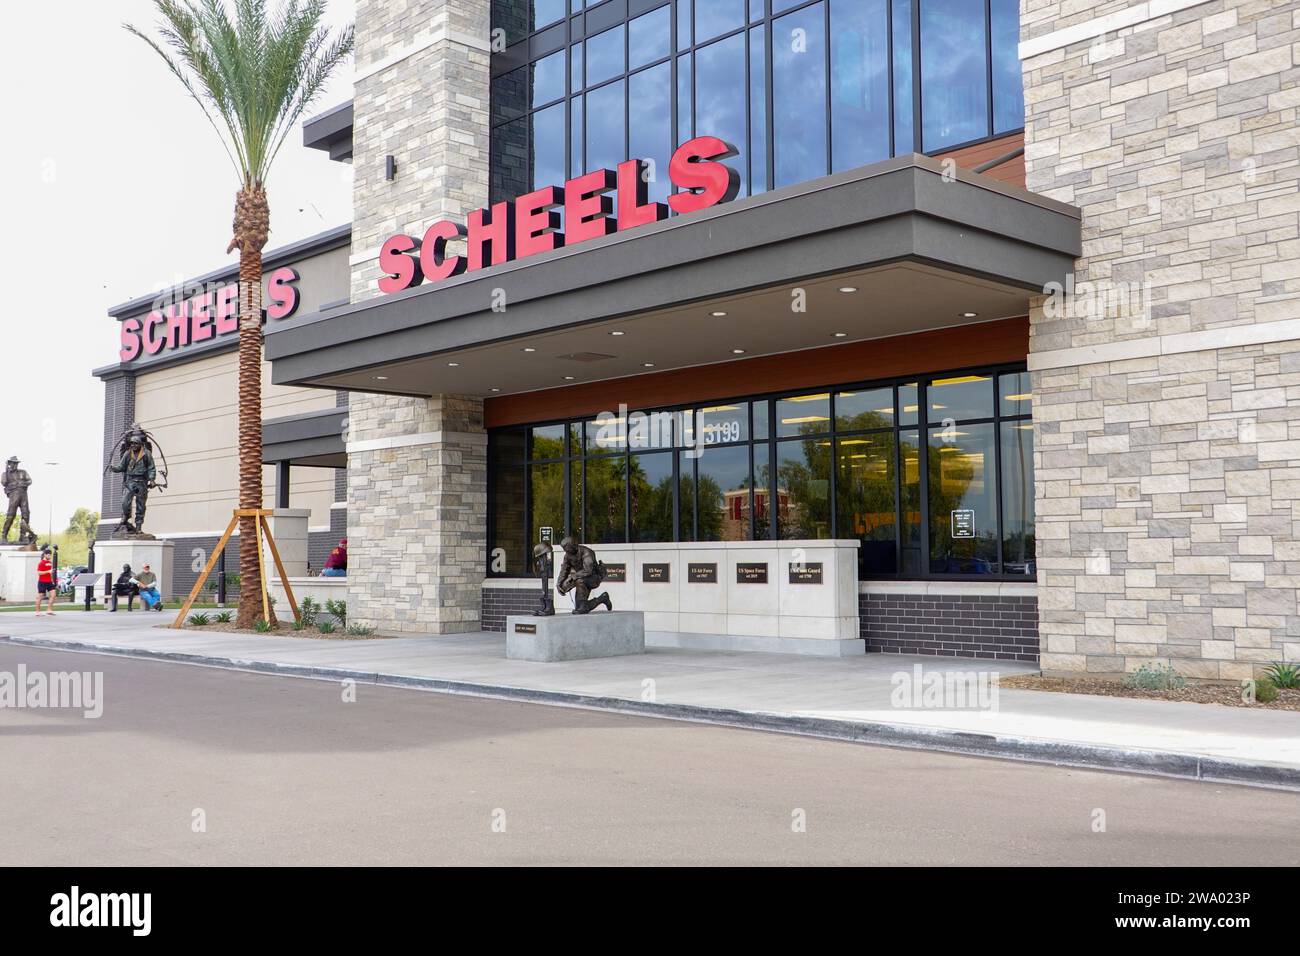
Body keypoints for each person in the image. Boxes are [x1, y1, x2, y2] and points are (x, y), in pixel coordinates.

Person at [554, 537, 612, 614]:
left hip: (594, 578)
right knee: (580, 608)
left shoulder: (587, 552)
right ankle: (603, 598)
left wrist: (572, 577)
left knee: (579, 581)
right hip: (581, 579)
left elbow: (588, 570)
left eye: (567, 548)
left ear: (573, 545)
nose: (566, 551)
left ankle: (600, 600)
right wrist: (559, 584)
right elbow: (564, 570)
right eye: (564, 549)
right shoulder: (567, 556)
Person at [35, 547, 57, 616]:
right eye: (48, 555)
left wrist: (52, 581)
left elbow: (50, 574)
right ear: (45, 555)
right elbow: (39, 573)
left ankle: (49, 610)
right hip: (42, 582)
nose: (50, 556)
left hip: (49, 582)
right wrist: (48, 571)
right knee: (40, 597)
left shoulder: (50, 563)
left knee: (53, 595)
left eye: (50, 555)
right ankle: (37, 612)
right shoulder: (41, 563)